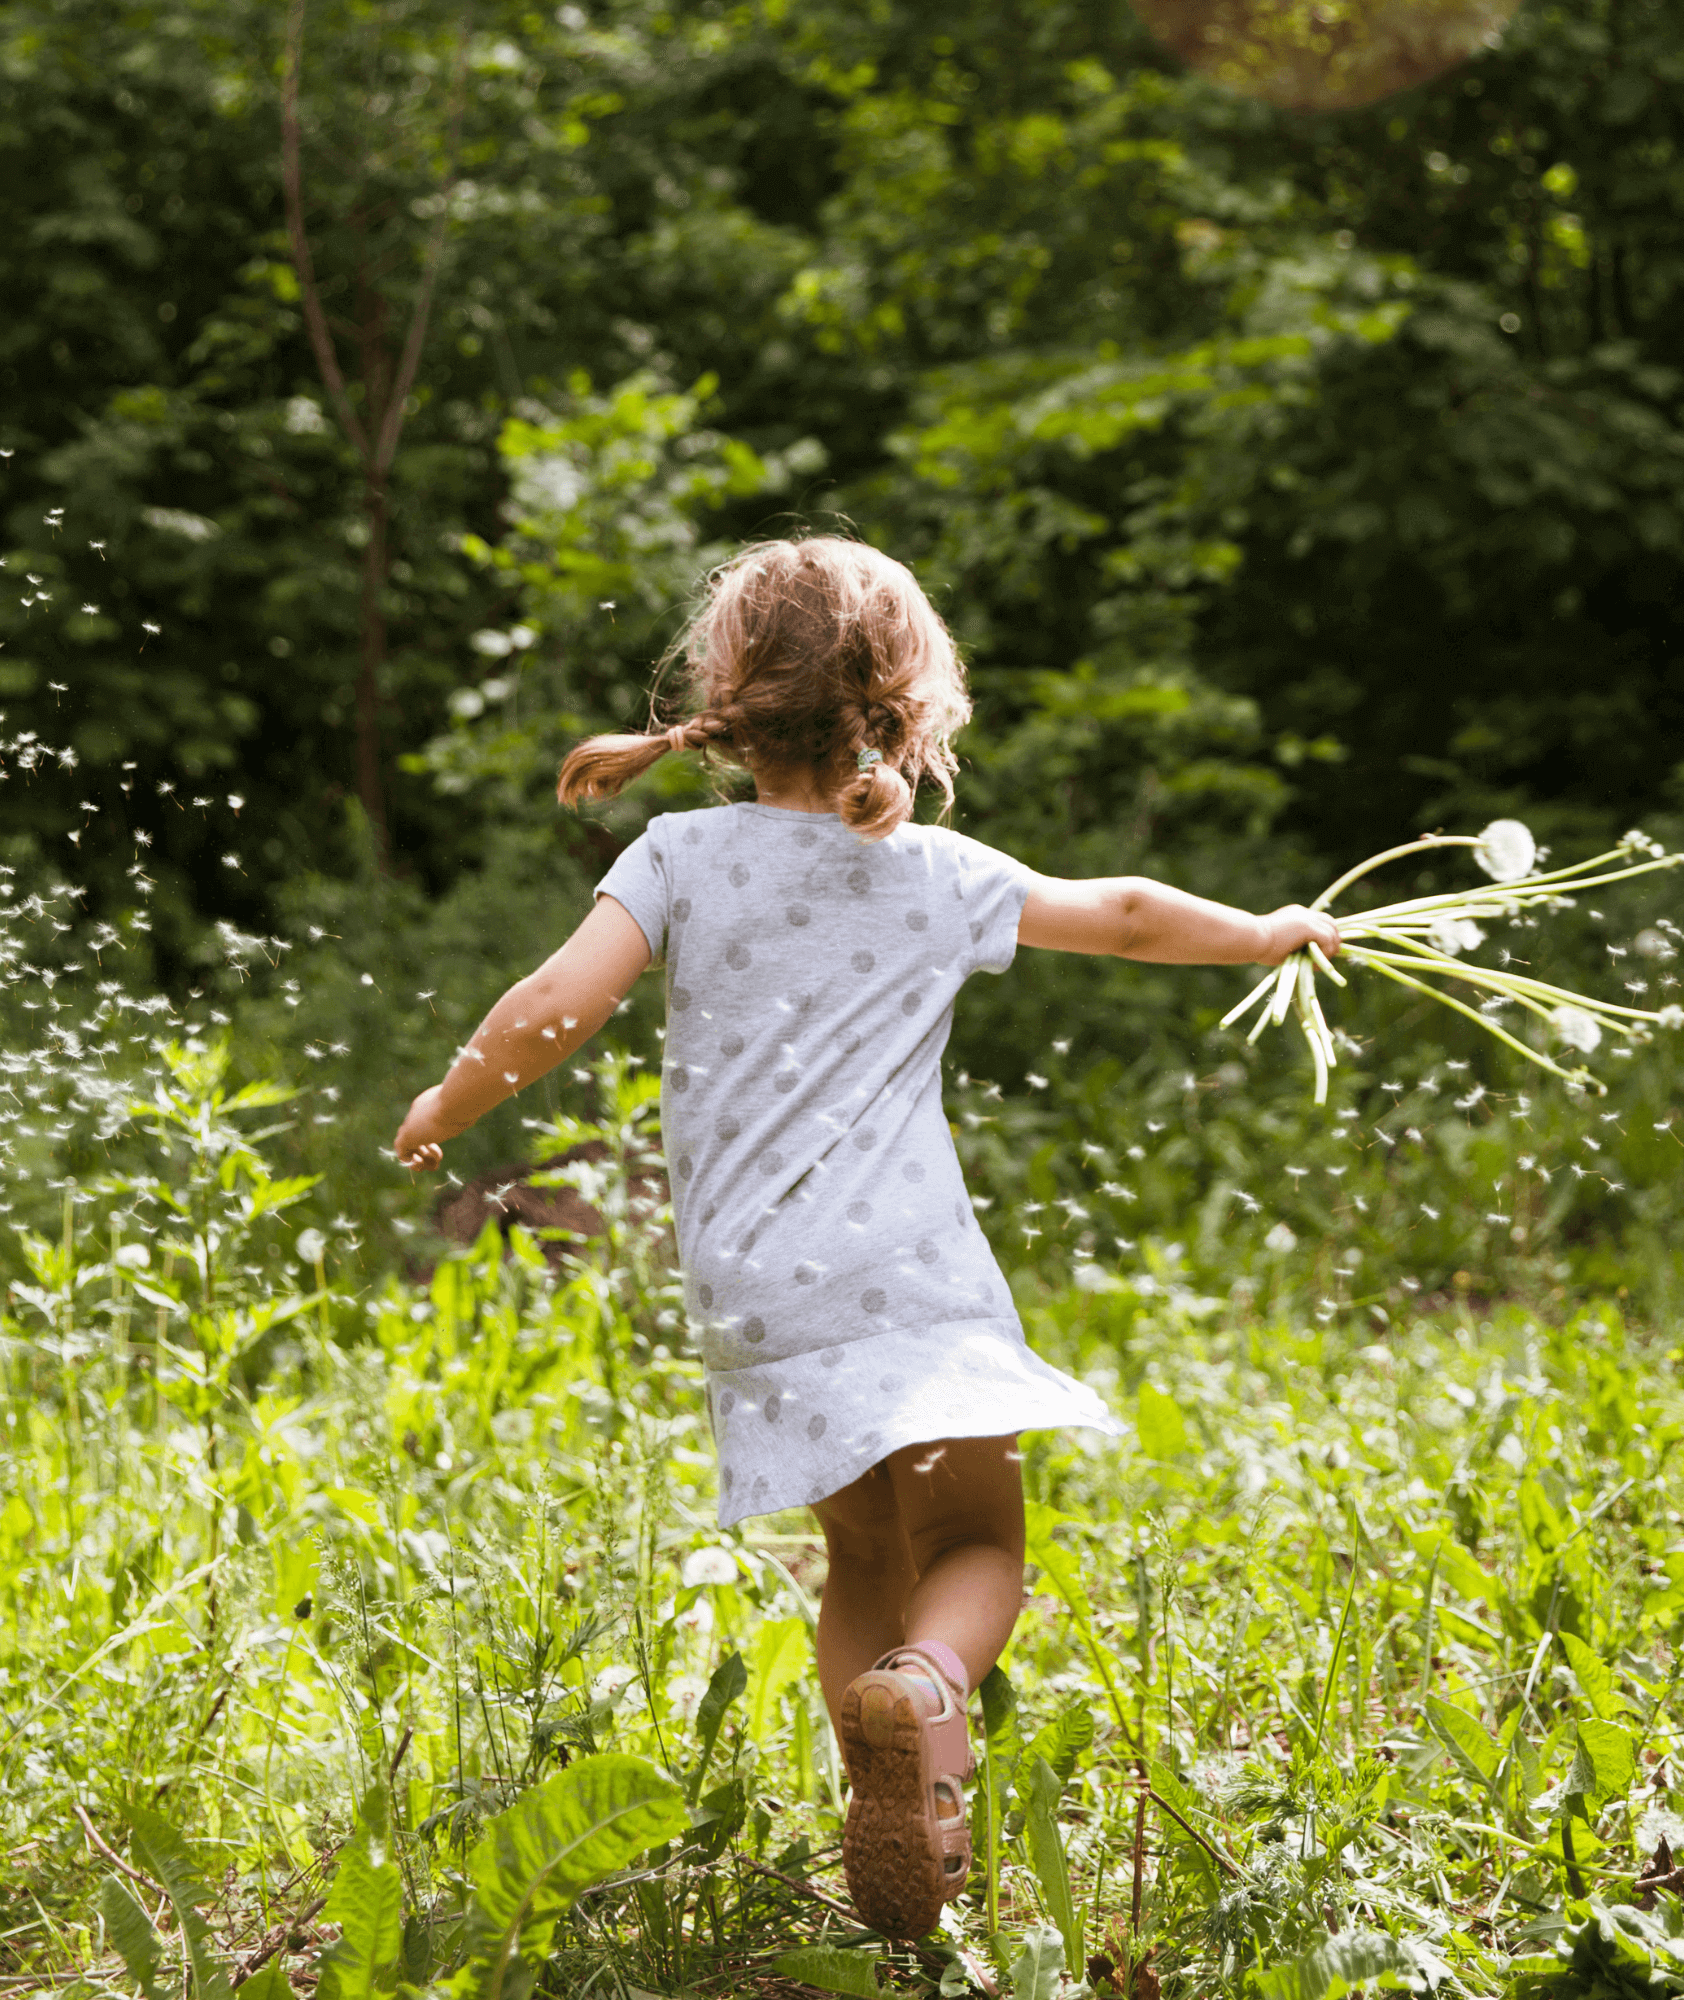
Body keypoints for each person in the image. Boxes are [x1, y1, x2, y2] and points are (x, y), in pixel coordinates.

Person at [394, 535, 1340, 1940]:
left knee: (860, 1554)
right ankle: (930, 1698)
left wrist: (450, 1097)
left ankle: (881, 1809)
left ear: (727, 696)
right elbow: (1127, 914)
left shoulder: (679, 854)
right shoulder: (937, 872)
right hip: (912, 1273)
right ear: (908, 699)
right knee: (976, 1544)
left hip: (758, 1291)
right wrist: (1268, 931)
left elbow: (555, 1003)